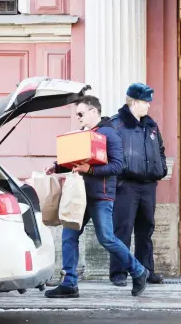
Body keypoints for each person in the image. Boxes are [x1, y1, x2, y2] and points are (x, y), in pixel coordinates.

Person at [44, 95, 149, 298]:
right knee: (69, 235)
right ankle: (69, 283)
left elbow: (118, 166)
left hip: (100, 195)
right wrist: (56, 166)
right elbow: (74, 160)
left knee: (107, 238)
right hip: (79, 194)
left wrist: (89, 170)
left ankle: (139, 271)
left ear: (94, 111)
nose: (78, 117)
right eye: (77, 114)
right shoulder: (84, 134)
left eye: (81, 113)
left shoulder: (110, 132)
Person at [108, 83, 167, 287]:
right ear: (133, 102)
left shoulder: (151, 125)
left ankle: (146, 270)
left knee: (146, 230)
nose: (149, 106)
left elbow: (160, 148)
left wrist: (162, 169)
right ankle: (119, 273)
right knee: (122, 229)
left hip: (148, 185)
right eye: (145, 102)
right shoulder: (115, 125)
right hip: (126, 185)